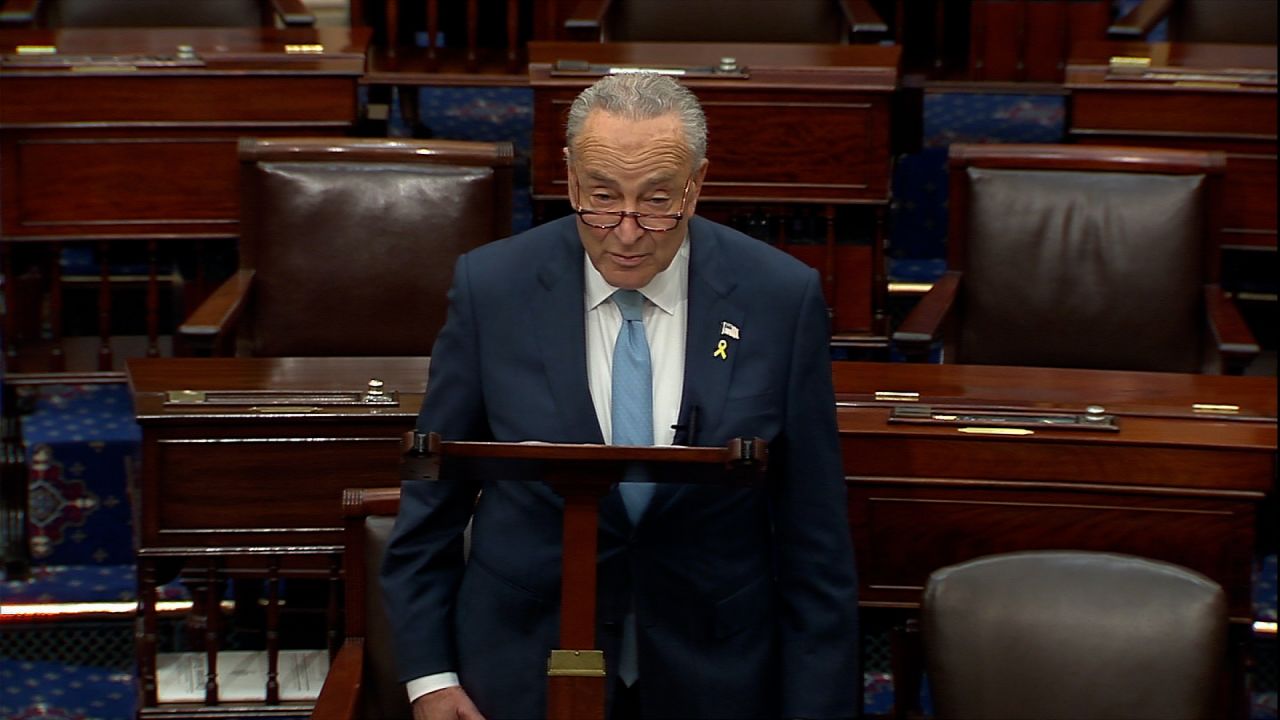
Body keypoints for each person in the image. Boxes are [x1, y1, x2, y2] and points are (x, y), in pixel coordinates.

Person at [381, 72, 859, 720]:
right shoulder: (493, 289)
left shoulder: (779, 298)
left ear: (697, 184)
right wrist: (430, 679)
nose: (627, 232)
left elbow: (816, 542)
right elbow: (431, 507)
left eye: (657, 202)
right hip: (522, 666)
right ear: (571, 179)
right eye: (603, 199)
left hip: (716, 676)